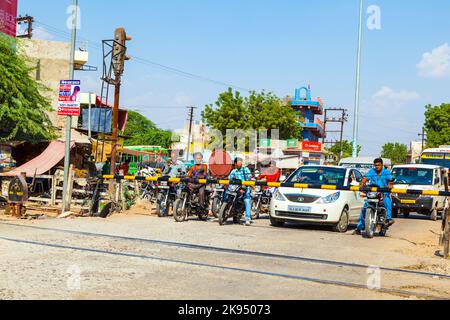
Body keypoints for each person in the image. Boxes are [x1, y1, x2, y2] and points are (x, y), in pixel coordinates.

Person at [354, 158, 395, 235]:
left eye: (378, 165)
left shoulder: (386, 172)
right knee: (365, 207)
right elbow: (365, 179)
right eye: (375, 165)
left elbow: (390, 181)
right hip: (373, 194)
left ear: (382, 165)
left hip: (383, 194)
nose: (377, 166)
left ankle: (388, 219)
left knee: (387, 201)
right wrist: (361, 184)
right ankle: (360, 227)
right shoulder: (372, 171)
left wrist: (390, 186)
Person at [229, 157, 253, 226]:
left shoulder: (245, 169)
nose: (240, 163)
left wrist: (250, 177)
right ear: (235, 164)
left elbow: (249, 176)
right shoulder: (234, 171)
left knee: (247, 201)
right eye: (238, 162)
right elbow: (229, 178)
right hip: (236, 189)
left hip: (245, 188)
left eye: (241, 162)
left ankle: (248, 219)